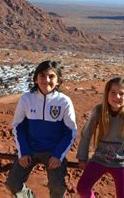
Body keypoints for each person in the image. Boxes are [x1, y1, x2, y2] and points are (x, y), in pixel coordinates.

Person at [6, 60, 77, 198]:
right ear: (36, 79)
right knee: (13, 184)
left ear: (58, 81)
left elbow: (70, 132)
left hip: (53, 152)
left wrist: (58, 155)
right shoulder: (26, 99)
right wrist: (24, 152)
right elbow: (18, 127)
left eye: (51, 76)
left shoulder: (64, 102)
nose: (47, 80)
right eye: (42, 76)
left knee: (57, 188)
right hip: (30, 150)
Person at [76, 77, 124, 198]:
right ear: (107, 94)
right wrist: (82, 158)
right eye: (113, 93)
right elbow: (86, 133)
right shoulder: (99, 111)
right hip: (99, 159)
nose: (117, 97)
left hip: (122, 162)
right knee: (82, 188)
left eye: (122, 93)